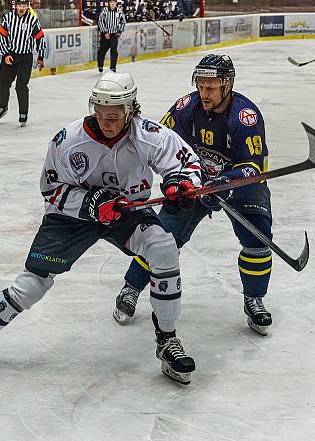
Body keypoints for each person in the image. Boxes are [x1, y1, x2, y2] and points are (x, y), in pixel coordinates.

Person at [0, 72, 202, 385]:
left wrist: (180, 185)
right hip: (71, 217)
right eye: (100, 113)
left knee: (163, 247)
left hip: (126, 211)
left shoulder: (149, 135)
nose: (106, 121)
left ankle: (167, 340)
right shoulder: (68, 139)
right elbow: (50, 188)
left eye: (114, 116)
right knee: (32, 285)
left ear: (130, 111)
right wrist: (90, 202)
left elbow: (186, 165)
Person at [114, 54, 275, 336]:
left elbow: (253, 167)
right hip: (194, 184)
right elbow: (158, 144)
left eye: (211, 87)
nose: (204, 93)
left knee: (258, 240)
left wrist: (225, 182)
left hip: (238, 186)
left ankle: (254, 299)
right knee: (160, 239)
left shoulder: (245, 117)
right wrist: (175, 180)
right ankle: (130, 288)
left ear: (227, 85)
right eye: (200, 86)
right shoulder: (185, 108)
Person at [0, 0, 46, 126]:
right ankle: (2, 107)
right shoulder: (8, 18)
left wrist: (41, 56)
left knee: (21, 86)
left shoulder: (32, 20)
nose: (21, 8)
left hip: (25, 58)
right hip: (10, 55)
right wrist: (6, 54)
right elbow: (2, 37)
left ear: (27, 7)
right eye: (19, 5)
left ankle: (23, 113)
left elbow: (40, 38)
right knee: (3, 83)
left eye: (24, 5)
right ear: (15, 6)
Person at [97, 0, 125, 73]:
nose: (112, 4)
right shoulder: (104, 11)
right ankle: (100, 65)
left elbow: (123, 22)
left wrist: (119, 31)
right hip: (105, 34)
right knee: (102, 51)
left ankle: (113, 67)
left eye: (114, 2)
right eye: (111, 2)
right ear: (109, 3)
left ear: (116, 3)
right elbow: (100, 21)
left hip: (114, 35)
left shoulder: (119, 11)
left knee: (114, 51)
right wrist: (105, 32)